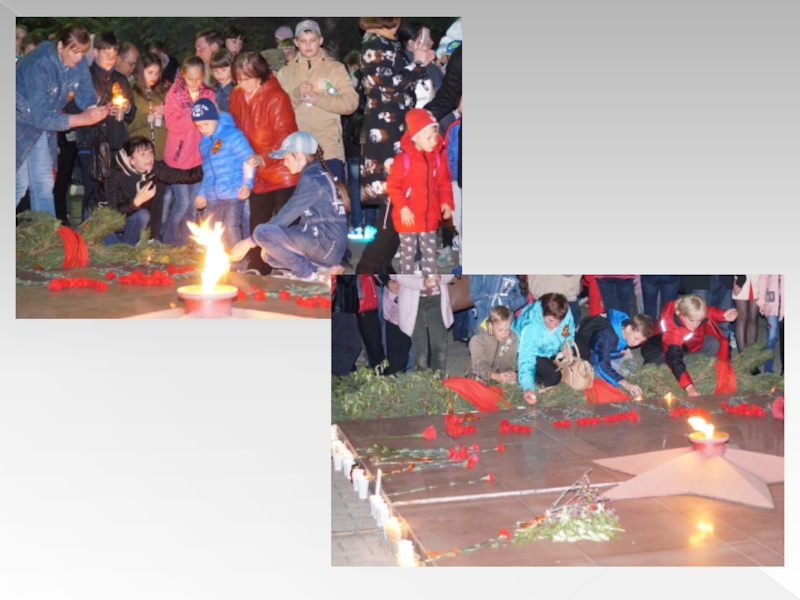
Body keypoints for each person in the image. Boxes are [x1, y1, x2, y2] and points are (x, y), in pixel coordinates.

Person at [354, 17, 434, 274]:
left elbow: (401, 83)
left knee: (399, 200)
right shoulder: (375, 43)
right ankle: (367, 268)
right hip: (385, 132)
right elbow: (389, 87)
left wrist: (418, 60)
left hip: (397, 128)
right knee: (395, 200)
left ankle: (382, 267)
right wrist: (417, 64)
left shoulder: (388, 42)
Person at [16, 24, 110, 217]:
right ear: (60, 46)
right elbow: (40, 116)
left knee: (44, 183)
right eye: (75, 52)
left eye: (83, 52)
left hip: (41, 123)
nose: (79, 58)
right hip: (17, 123)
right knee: (18, 183)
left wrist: (94, 109)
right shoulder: (39, 64)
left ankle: (47, 234)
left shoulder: (79, 62)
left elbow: (85, 95)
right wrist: (81, 119)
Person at [229, 131, 348, 282]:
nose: (285, 164)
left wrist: (249, 242)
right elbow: (304, 224)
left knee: (261, 232)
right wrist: (268, 242)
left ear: (299, 156)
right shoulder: (318, 173)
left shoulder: (312, 178)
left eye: (286, 158)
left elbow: (286, 215)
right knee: (269, 255)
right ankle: (323, 269)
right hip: (329, 245)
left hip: (324, 243)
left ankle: (309, 275)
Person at [228, 51, 299, 274]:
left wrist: (264, 156)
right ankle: (259, 265)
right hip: (255, 171)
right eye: (239, 80)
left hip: (282, 169)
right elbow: (234, 127)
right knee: (258, 220)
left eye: (247, 79)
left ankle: (291, 266)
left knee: (286, 222)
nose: (243, 85)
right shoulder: (237, 95)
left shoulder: (276, 97)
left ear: (260, 75)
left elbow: (284, 135)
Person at [277, 19, 358, 182]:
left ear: (320, 40)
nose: (308, 45)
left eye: (313, 40)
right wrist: (296, 94)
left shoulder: (335, 68)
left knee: (331, 195)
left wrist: (319, 99)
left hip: (329, 148)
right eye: (303, 41)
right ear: (296, 43)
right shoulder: (285, 72)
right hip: (298, 152)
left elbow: (351, 103)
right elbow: (278, 110)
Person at [87, 136, 202, 244]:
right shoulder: (114, 176)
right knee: (112, 251)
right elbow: (114, 212)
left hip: (126, 213)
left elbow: (181, 176)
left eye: (151, 152)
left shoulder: (152, 169)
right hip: (99, 215)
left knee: (143, 215)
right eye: (142, 154)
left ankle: (129, 248)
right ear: (131, 160)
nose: (149, 157)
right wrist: (136, 202)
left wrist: (206, 166)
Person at [75, 31, 137, 222]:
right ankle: (87, 233)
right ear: (95, 52)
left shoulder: (120, 79)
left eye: (114, 55)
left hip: (116, 143)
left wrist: (126, 108)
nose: (111, 59)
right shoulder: (84, 77)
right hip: (90, 143)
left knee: (112, 194)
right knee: (93, 194)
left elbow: (132, 113)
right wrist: (96, 105)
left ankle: (109, 234)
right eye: (107, 54)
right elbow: (71, 106)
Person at [386, 108, 454, 274]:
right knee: (407, 256)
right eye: (428, 138)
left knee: (429, 255)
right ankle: (408, 282)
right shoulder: (402, 160)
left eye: (435, 137)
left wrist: (446, 201)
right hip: (408, 218)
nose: (433, 141)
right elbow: (393, 186)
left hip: (430, 217)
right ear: (415, 137)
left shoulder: (436, 159)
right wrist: (403, 207)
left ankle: (429, 281)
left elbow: (444, 182)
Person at [191, 98, 256, 257]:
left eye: (206, 124)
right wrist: (202, 193)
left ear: (215, 118)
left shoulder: (232, 134)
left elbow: (248, 159)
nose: (203, 129)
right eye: (198, 126)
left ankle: (237, 262)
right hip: (213, 196)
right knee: (212, 229)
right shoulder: (204, 143)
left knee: (230, 227)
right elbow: (208, 171)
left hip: (233, 193)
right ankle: (220, 261)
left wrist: (247, 184)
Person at [162, 55, 215, 246]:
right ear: (182, 75)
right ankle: (169, 240)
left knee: (192, 206)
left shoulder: (208, 94)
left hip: (198, 158)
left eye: (198, 79)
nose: (194, 83)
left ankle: (186, 244)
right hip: (178, 158)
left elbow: (212, 122)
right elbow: (172, 124)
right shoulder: (174, 94)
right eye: (190, 79)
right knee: (182, 203)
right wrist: (194, 115)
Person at [640, 294, 738, 396]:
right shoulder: (672, 329)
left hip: (683, 345)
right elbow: (674, 359)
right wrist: (689, 387)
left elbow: (708, 311)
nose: (696, 325)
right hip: (656, 351)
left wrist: (723, 315)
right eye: (692, 320)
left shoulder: (692, 313)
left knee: (712, 343)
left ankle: (690, 368)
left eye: (699, 320)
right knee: (676, 364)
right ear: (682, 315)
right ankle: (672, 371)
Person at [513, 293, 577, 404]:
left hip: (552, 348)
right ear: (542, 313)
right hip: (530, 351)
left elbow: (568, 331)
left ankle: (551, 362)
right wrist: (527, 387)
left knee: (584, 351)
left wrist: (567, 346)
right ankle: (521, 375)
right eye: (550, 320)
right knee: (553, 377)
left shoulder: (565, 313)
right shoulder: (531, 327)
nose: (554, 325)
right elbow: (527, 357)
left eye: (559, 321)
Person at [575, 310, 653, 398]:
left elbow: (618, 341)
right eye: (636, 338)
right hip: (589, 353)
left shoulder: (626, 324)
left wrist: (620, 350)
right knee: (606, 378)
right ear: (628, 328)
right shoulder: (607, 337)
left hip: (603, 349)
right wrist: (624, 383)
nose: (636, 344)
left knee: (627, 366)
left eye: (640, 341)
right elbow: (602, 363)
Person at [395, 273, 455, 373]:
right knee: (420, 351)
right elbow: (400, 276)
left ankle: (438, 381)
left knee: (440, 348)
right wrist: (422, 283)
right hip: (413, 303)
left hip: (438, 300)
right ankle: (421, 382)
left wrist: (441, 277)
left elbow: (452, 270)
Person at [127, 51, 167, 161]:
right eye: (150, 72)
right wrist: (146, 119)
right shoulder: (130, 92)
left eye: (157, 73)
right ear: (140, 71)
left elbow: (174, 125)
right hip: (139, 156)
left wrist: (167, 114)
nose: (154, 77)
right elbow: (126, 127)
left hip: (162, 155)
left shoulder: (163, 93)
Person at [468, 305, 519, 384]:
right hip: (479, 372)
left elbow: (507, 360)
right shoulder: (478, 339)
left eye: (507, 330)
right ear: (490, 326)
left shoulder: (512, 337)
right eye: (500, 330)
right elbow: (479, 363)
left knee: (513, 385)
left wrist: (508, 371)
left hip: (499, 371)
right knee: (478, 385)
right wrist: (494, 375)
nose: (504, 334)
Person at [397, 22, 443, 107]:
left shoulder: (402, 62)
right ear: (412, 44)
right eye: (426, 38)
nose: (432, 42)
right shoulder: (418, 66)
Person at [757, 275, 784, 375]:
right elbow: (763, 282)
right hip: (771, 307)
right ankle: (768, 370)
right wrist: (762, 303)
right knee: (771, 338)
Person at [732, 275, 761, 358]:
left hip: (757, 278)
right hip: (741, 279)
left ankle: (750, 356)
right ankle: (742, 356)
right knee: (742, 316)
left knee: (753, 317)